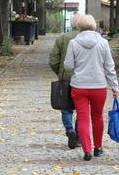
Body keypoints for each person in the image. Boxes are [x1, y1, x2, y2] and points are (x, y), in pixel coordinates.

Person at [64, 14, 119, 161]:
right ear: (94, 25)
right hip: (99, 86)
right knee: (97, 117)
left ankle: (87, 150)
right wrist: (115, 87)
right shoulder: (103, 43)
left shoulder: (73, 43)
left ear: (80, 26)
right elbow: (109, 67)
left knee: (82, 118)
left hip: (79, 86)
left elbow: (68, 66)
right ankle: (98, 148)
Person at [49, 14, 82, 149]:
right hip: (83, 79)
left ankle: (70, 131)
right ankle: (79, 135)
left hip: (66, 78)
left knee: (66, 108)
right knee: (82, 109)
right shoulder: (88, 38)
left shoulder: (62, 38)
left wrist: (60, 72)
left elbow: (53, 59)